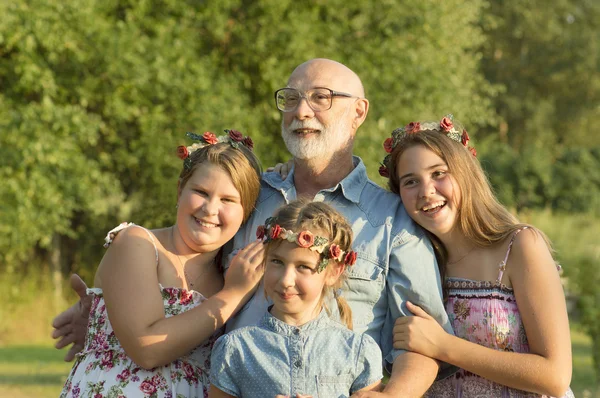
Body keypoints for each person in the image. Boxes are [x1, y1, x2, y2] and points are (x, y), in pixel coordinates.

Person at [53, 59, 453, 397]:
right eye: (291, 98)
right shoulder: (247, 200)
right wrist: (108, 305)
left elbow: (423, 342)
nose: (301, 110)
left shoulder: (393, 219)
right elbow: (185, 255)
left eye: (321, 97)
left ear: (359, 112)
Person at [59, 130, 265, 398]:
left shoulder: (230, 273)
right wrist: (234, 295)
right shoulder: (138, 243)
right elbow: (148, 349)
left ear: (246, 211)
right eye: (201, 192)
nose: (210, 209)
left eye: (228, 200)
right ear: (180, 190)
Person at [380, 115, 573, 397]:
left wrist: (443, 346)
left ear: (465, 173)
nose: (426, 191)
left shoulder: (519, 246)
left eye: (438, 173)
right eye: (411, 182)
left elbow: (555, 376)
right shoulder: (411, 263)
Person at [209, 200, 383, 398]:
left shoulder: (357, 351)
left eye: (303, 267)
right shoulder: (236, 349)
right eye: (277, 261)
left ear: (334, 272)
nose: (286, 280)